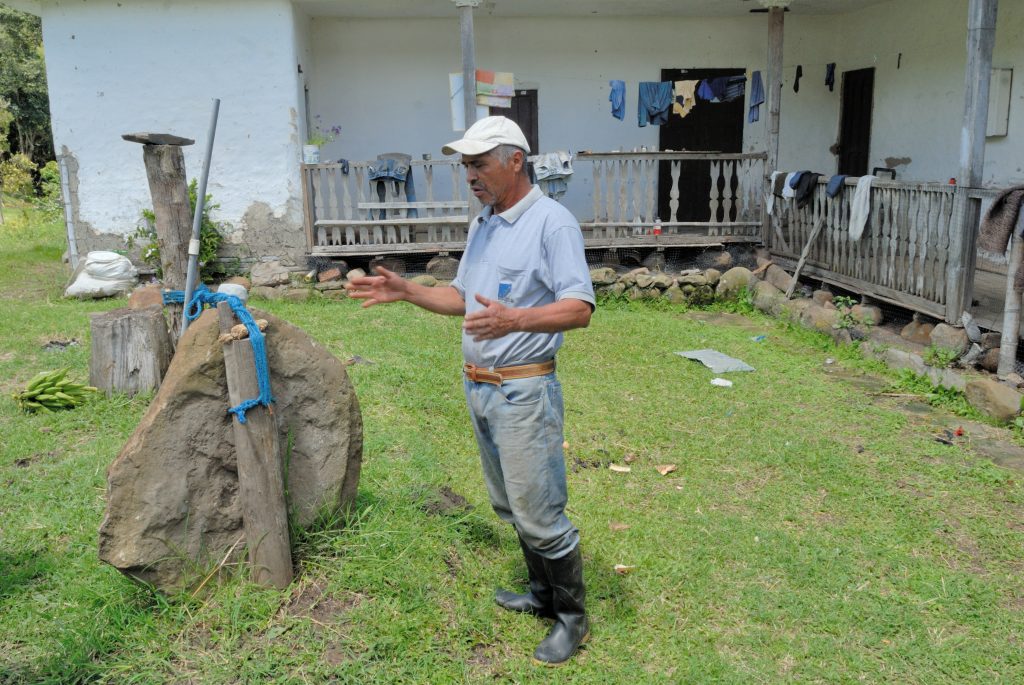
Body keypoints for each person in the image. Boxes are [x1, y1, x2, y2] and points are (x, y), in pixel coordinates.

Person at [345, 116, 595, 666]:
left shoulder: (553, 224)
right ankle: (541, 593)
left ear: (515, 161)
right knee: (511, 505)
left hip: (525, 393)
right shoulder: (484, 222)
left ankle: (572, 619)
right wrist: (406, 289)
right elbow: (463, 297)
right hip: (481, 390)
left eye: (479, 164)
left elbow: (579, 308)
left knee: (540, 511)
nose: (471, 176)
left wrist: (517, 321)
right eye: (466, 167)